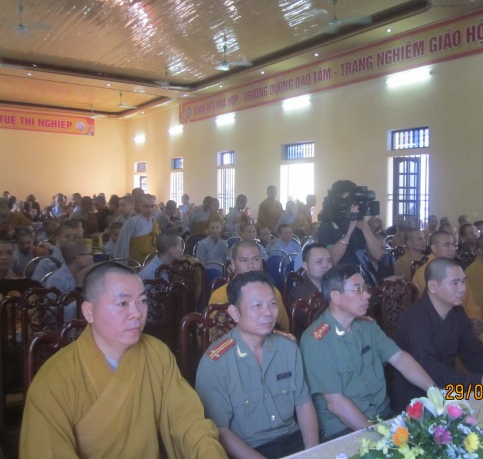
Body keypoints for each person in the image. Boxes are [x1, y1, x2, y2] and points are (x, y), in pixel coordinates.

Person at [20, 262, 228, 458]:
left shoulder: (157, 354)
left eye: (142, 301)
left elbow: (187, 421)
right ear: (89, 312)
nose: (136, 313)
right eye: (123, 303)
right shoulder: (54, 379)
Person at [299, 264, 436, 442]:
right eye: (358, 289)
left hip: (384, 417)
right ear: (336, 296)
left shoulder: (368, 327)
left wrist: (434, 391)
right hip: (345, 431)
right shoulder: (316, 340)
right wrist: (379, 437)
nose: (367, 295)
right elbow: (335, 403)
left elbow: (400, 359)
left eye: (365, 288)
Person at [196, 271, 318, 459]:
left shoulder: (288, 348)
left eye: (272, 304)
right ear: (235, 313)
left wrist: (313, 452)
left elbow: (304, 404)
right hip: (248, 450)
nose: (268, 313)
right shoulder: (215, 362)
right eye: (257, 305)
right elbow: (220, 429)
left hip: (294, 442)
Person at [391, 258, 483, 411]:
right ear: (433, 286)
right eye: (455, 283)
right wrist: (478, 381)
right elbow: (427, 366)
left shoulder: (457, 312)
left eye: (463, 282)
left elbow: (473, 353)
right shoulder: (415, 317)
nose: (462, 289)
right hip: (416, 398)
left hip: (449, 388)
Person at [209, 241, 289, 332]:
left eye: (256, 259)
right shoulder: (219, 296)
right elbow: (212, 335)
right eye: (244, 260)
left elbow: (284, 329)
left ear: (262, 263)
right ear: (233, 264)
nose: (251, 266)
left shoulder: (273, 293)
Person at [317, 180, 383, 270]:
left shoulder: (360, 225)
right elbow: (332, 260)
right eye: (350, 201)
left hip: (362, 277)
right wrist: (349, 231)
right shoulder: (327, 227)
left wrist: (365, 228)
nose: (355, 205)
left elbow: (377, 255)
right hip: (341, 277)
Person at [114, 194, 160, 264]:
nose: (149, 209)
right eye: (145, 206)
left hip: (151, 261)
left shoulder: (154, 223)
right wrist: (122, 263)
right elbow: (123, 243)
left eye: (152, 206)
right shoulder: (132, 222)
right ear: (139, 206)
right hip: (134, 262)